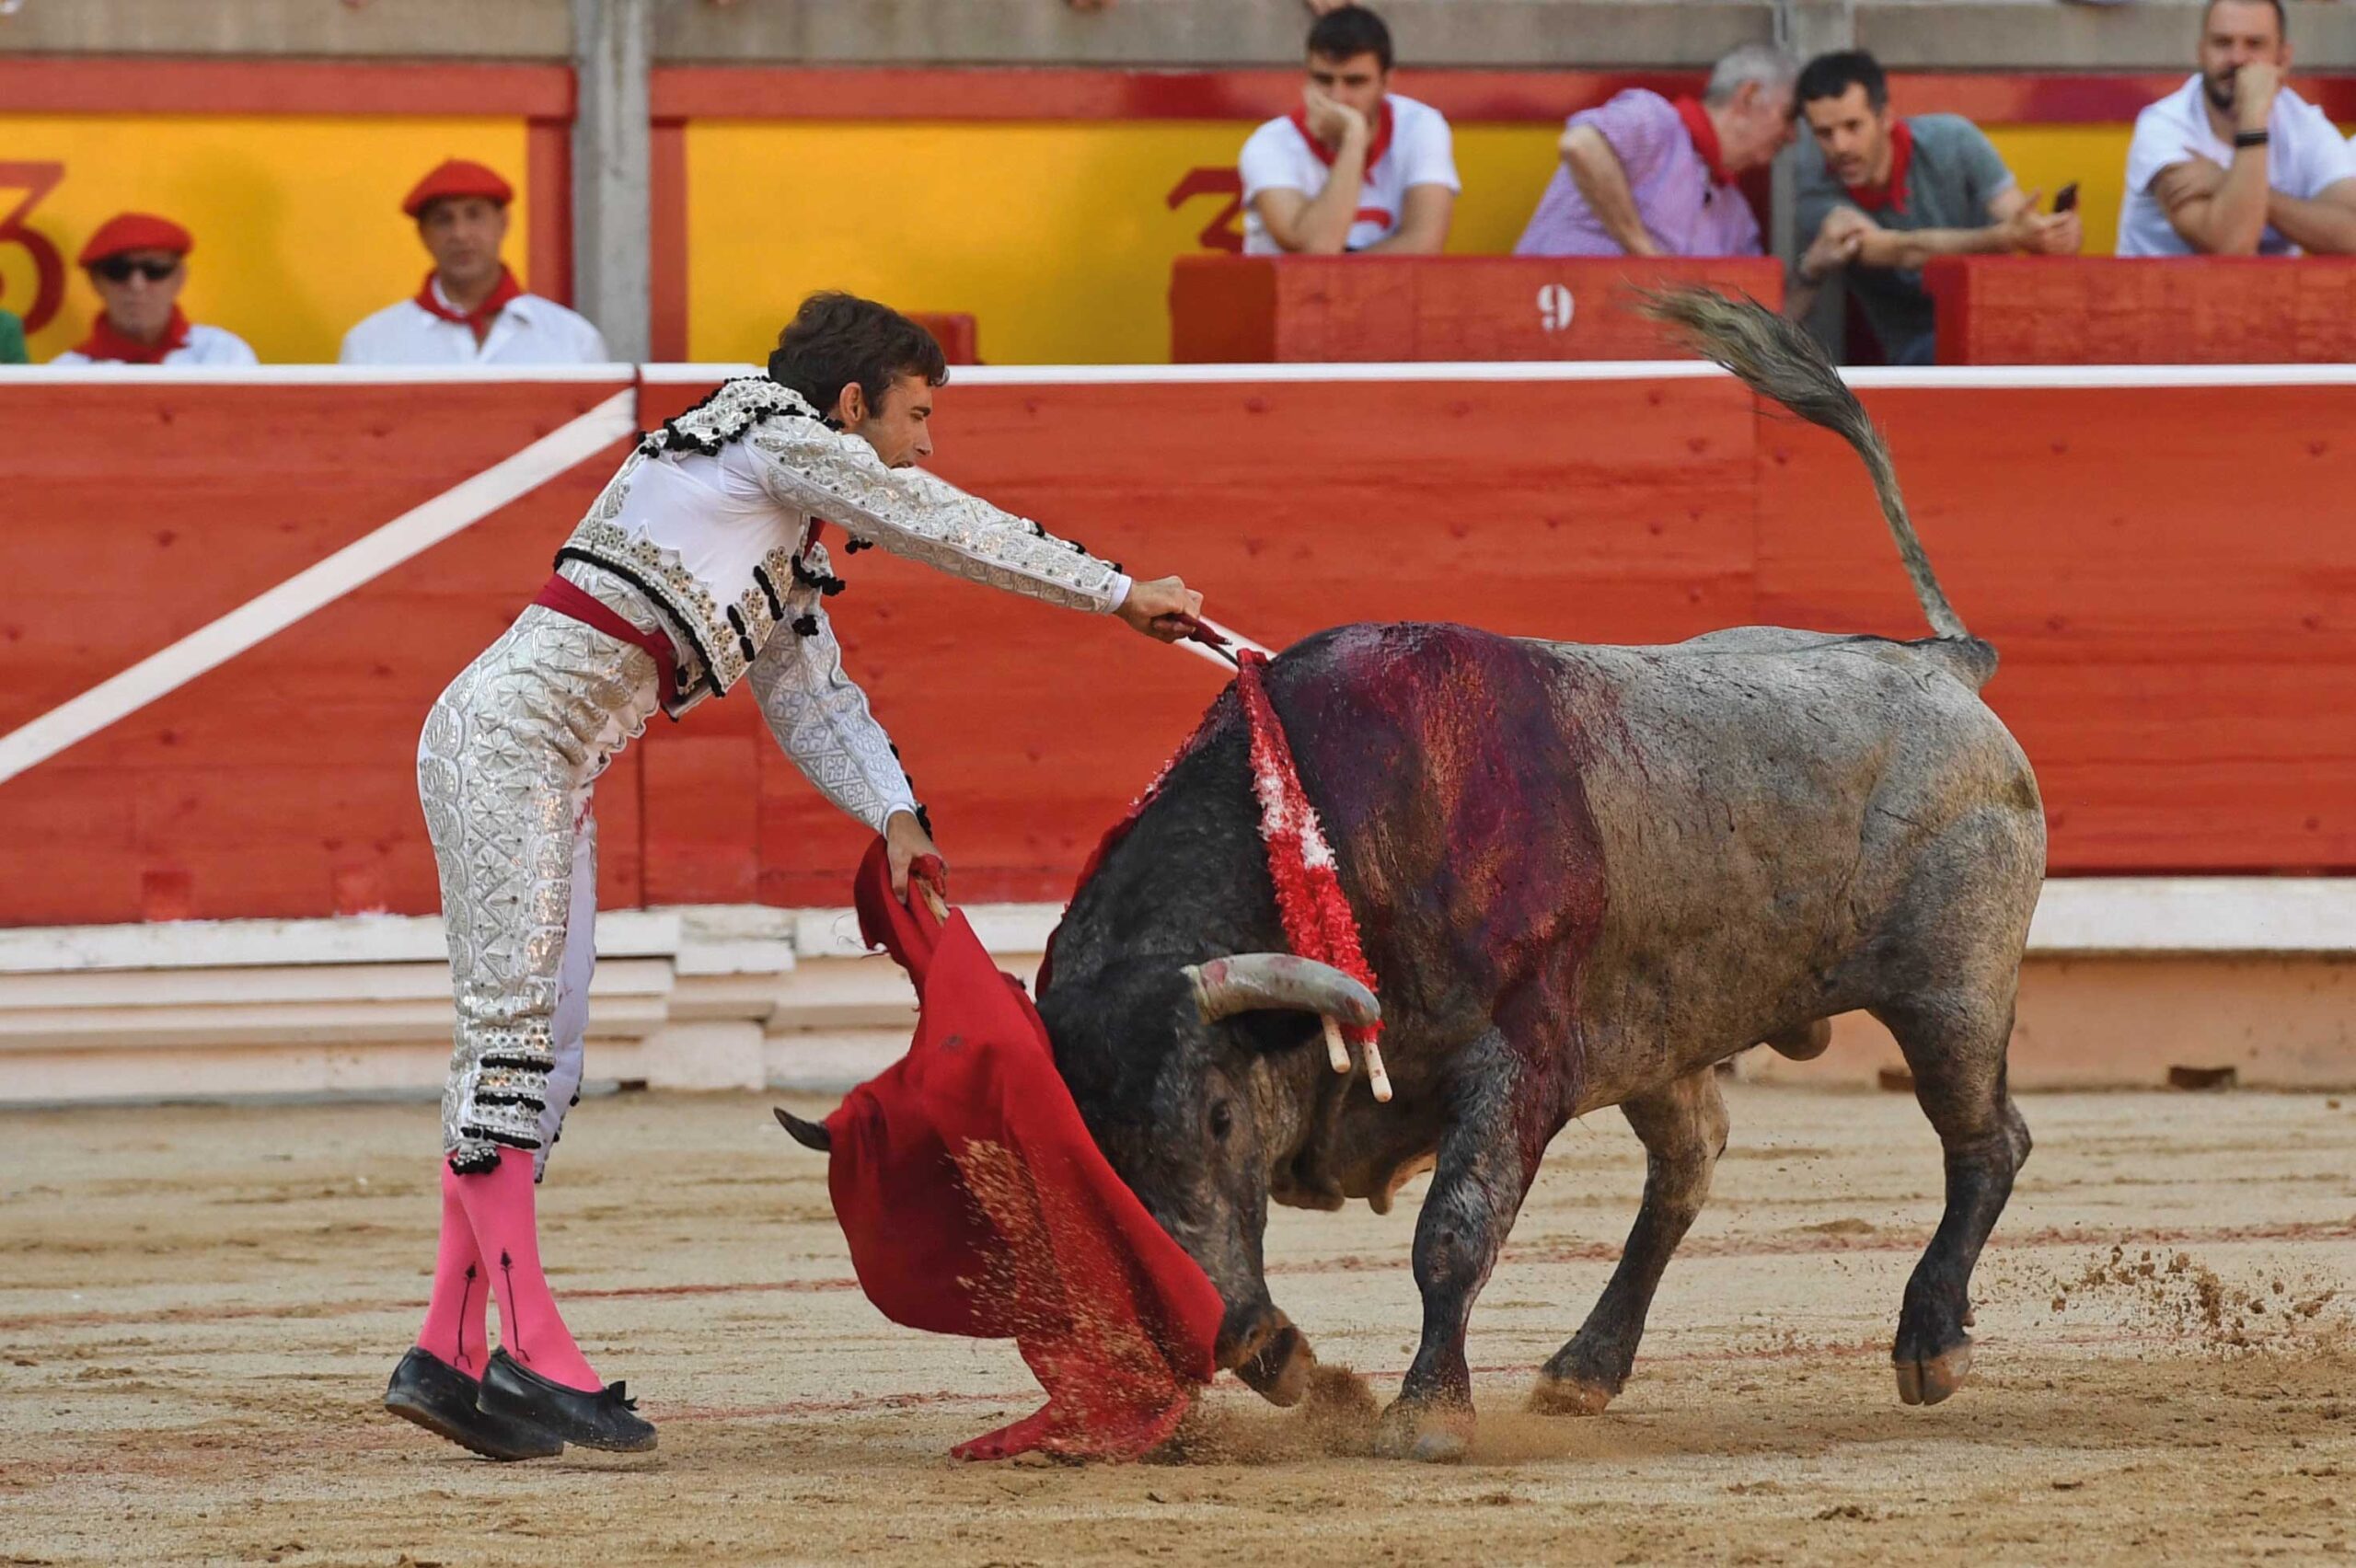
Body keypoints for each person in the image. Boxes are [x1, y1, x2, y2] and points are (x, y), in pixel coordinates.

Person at [382, 293, 1207, 1459]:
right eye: (916, 414)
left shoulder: (775, 531)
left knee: (544, 1053)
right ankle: (531, 1352)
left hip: (550, 766)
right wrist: (1116, 594)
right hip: (504, 746)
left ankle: (447, 1352)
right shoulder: (766, 429)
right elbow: (929, 517)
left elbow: (815, 698)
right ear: (852, 403)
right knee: (512, 1047)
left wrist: (896, 815)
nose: (926, 442)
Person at [1792, 51, 2080, 366]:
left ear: (1885, 117)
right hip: (1917, 349)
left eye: (1852, 126)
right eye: (1825, 134)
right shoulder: (1816, 192)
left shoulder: (1953, 139)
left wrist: (2052, 235)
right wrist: (2006, 237)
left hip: (1998, 323)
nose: (1841, 146)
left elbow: (2017, 217)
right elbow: (1903, 252)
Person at [2117, 0, 2356, 257]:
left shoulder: (2305, 125)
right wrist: (2253, 118)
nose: (2237, 58)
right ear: (2201, 52)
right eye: (2222, 43)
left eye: (2254, 44)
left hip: (2273, 295)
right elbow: (2231, 248)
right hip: (2156, 294)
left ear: (2283, 59)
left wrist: (2223, 179)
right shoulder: (2165, 126)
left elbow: (2351, 235)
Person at [1514, 44, 1797, 259]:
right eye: (1789, 115)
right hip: (1545, 315)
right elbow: (1580, 145)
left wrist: (1812, 272)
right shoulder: (1656, 121)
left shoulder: (1736, 216)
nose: (1793, 136)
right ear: (1749, 96)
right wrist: (1647, 256)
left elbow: (1761, 319)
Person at [1237, 5, 1459, 257]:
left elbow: (1425, 244)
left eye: (1355, 82)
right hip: (1288, 296)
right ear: (1307, 79)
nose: (1338, 97)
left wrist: (1349, 284)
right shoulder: (1270, 144)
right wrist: (1353, 141)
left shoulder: (1420, 126)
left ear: (1386, 82)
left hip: (1388, 294)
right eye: (1323, 80)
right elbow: (1318, 249)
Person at [341, 158, 607, 364]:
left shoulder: (573, 339)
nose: (460, 234)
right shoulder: (371, 344)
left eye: (474, 215)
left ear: (503, 223)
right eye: (443, 219)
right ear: (423, 234)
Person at [49, 214, 257, 367]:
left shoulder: (223, 353)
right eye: (118, 271)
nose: (137, 285)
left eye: (155, 270)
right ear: (95, 281)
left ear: (180, 277)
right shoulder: (65, 373)